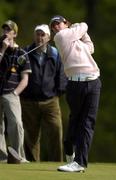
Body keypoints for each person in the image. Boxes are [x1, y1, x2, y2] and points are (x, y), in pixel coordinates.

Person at [50, 15, 101, 172]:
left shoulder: (75, 40)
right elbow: (84, 25)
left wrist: (80, 32)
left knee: (87, 123)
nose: (56, 27)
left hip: (93, 82)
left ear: (65, 23)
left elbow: (90, 47)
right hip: (75, 84)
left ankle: (79, 162)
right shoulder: (61, 37)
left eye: (59, 23)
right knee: (76, 121)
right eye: (53, 26)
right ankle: (69, 144)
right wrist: (78, 26)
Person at [21, 24, 67, 162]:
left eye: (43, 35)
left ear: (48, 37)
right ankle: (33, 165)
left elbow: (62, 74)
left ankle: (56, 163)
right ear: (34, 35)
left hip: (50, 101)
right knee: (31, 137)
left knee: (55, 131)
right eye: (37, 34)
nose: (40, 38)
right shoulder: (25, 52)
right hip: (29, 101)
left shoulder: (55, 53)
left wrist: (59, 92)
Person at [0, 20, 31, 163]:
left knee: (16, 124)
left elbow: (25, 79)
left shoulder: (22, 53)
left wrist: (15, 93)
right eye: (4, 29)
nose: (6, 31)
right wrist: (2, 50)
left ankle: (19, 156)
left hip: (11, 93)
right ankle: (2, 157)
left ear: (15, 34)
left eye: (9, 29)